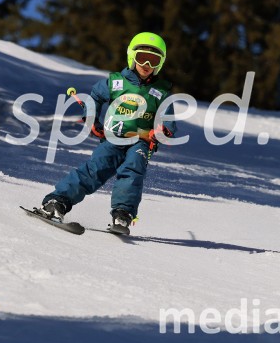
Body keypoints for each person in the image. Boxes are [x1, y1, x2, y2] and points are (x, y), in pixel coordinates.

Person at [38, 32, 177, 231]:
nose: (147, 63)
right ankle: (57, 202)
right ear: (132, 57)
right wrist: (91, 118)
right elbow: (94, 97)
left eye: (153, 59)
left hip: (141, 141)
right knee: (95, 169)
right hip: (113, 138)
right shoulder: (116, 82)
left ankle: (123, 213)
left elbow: (168, 119)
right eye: (141, 57)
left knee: (132, 171)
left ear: (160, 63)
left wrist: (162, 131)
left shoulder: (161, 92)